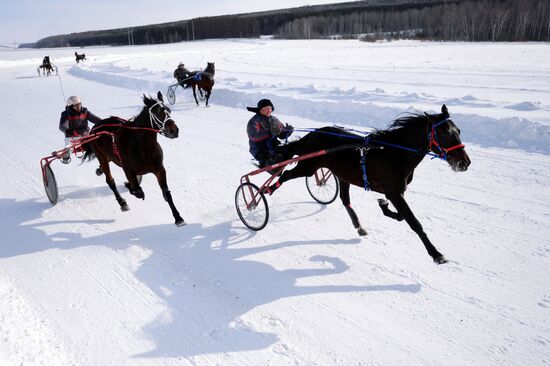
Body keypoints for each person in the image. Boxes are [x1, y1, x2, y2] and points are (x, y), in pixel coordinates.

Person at [246, 99, 294, 169]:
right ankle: (266, 163)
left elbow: (281, 134)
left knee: (287, 150)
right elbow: (254, 137)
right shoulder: (254, 121)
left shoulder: (274, 120)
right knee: (271, 160)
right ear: (260, 110)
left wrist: (287, 131)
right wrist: (270, 132)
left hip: (273, 147)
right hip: (260, 149)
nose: (269, 111)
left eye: (270, 108)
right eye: (266, 109)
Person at [59, 96, 102, 165]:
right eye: (76, 106)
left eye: (79, 104)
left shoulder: (85, 111)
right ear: (70, 106)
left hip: (85, 135)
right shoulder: (66, 114)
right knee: (68, 150)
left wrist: (103, 122)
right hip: (72, 136)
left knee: (96, 143)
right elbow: (62, 125)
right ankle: (65, 157)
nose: (78, 107)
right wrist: (67, 130)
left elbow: (94, 119)